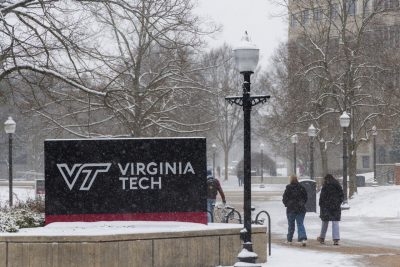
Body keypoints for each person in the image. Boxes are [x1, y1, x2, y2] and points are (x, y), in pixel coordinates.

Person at [317, 174, 344, 246]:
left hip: (326, 207)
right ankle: (336, 239)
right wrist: (338, 203)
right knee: (335, 222)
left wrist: (321, 205)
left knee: (325, 222)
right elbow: (342, 195)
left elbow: (322, 197)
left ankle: (322, 238)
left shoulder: (325, 186)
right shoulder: (337, 185)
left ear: (326, 179)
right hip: (335, 207)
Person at [282, 175, 308, 246]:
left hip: (291, 209)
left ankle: (289, 239)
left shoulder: (288, 188)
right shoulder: (301, 187)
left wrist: (288, 204)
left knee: (291, 225)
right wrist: (301, 203)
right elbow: (305, 197)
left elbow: (284, 199)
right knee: (300, 224)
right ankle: (303, 238)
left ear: (290, 180)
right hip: (301, 209)